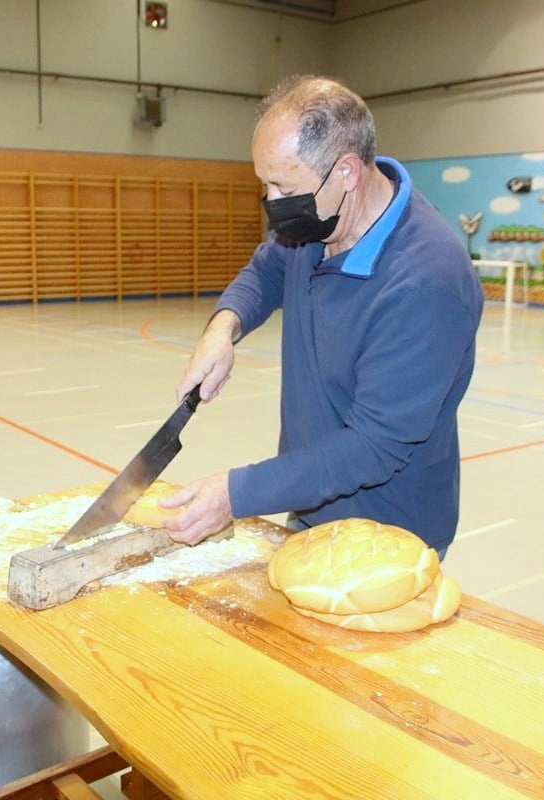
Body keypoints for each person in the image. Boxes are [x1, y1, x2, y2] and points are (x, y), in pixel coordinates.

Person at [159, 74, 483, 561]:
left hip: (389, 536)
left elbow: (373, 447)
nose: (271, 202)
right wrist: (222, 329)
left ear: (347, 171)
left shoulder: (425, 281)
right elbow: (266, 271)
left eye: (282, 186)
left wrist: (235, 494)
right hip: (311, 505)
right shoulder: (314, 220)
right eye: (264, 184)